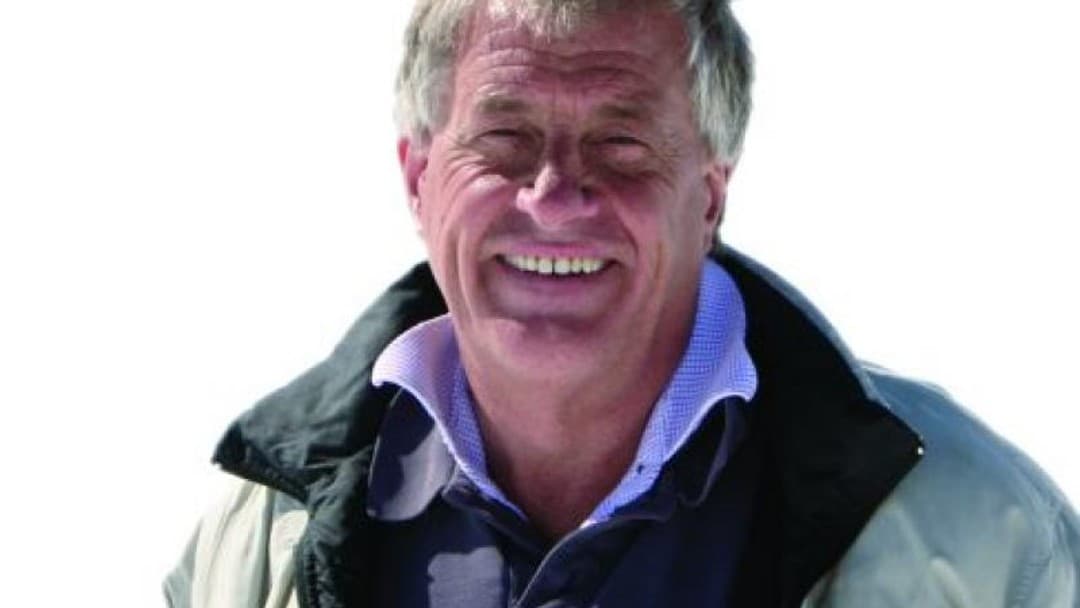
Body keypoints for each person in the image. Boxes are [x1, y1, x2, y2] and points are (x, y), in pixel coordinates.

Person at [165, 1, 1080, 606]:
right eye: (505, 138)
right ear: (418, 177)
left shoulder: (978, 534)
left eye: (622, 144)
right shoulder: (259, 533)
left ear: (711, 194)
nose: (556, 196)